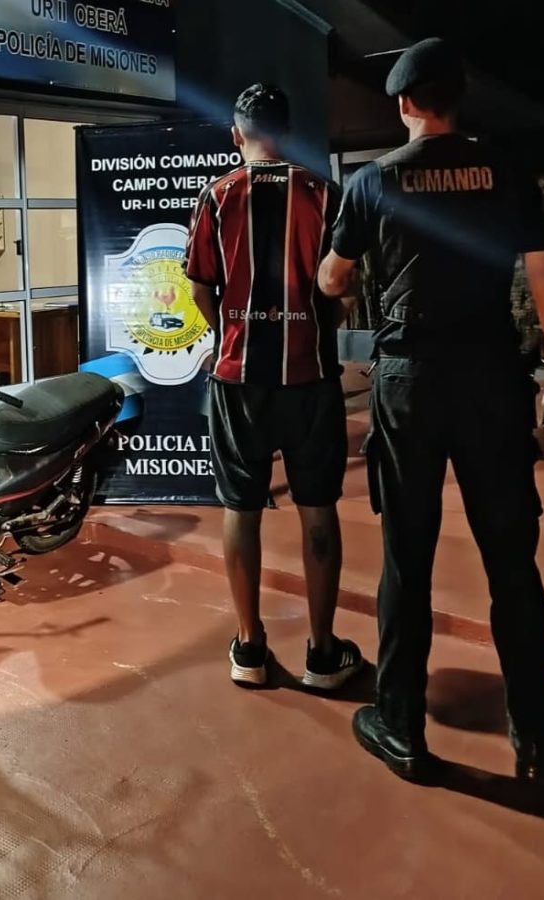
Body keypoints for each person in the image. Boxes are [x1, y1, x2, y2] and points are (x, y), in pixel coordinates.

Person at [318, 38, 544, 784]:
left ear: (405, 103)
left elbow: (333, 278)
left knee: (408, 556)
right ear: (457, 101)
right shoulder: (504, 172)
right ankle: (537, 739)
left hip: (409, 385)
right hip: (493, 378)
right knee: (513, 561)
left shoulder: (372, 182)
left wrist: (339, 273)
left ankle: (401, 728)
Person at [184, 84, 363, 691]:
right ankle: (322, 654)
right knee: (318, 508)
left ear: (237, 134)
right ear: (286, 133)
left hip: (239, 380)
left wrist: (230, 334)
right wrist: (313, 328)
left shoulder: (216, 196)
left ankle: (249, 648)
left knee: (240, 507)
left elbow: (200, 287)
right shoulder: (325, 194)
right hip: (311, 378)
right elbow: (343, 289)